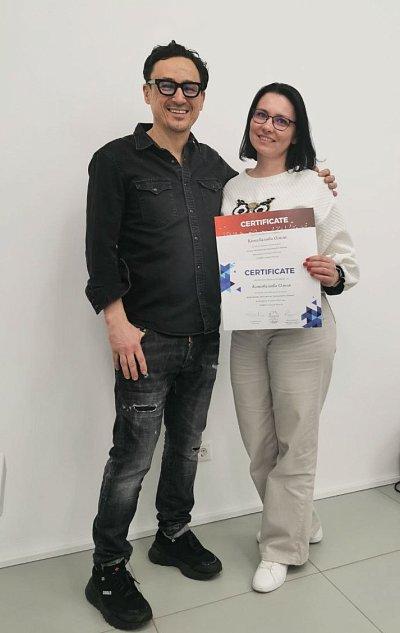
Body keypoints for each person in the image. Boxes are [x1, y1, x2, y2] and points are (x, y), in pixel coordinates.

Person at [84, 41, 337, 630]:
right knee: (131, 457)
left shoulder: (215, 170)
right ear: (147, 91)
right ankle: (108, 567)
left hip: (205, 334)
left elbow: (264, 205)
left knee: (186, 445)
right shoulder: (115, 161)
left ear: (201, 98)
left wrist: (314, 180)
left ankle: (171, 534)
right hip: (145, 337)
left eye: (190, 87)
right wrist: (117, 324)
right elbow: (100, 249)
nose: (179, 96)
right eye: (166, 85)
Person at [221, 83, 359, 594]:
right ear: (250, 121)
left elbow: (345, 261)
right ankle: (300, 519)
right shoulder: (230, 189)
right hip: (248, 328)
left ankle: (281, 547)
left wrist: (332, 273)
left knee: (295, 439)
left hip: (303, 329)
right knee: (258, 441)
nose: (269, 126)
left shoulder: (313, 186)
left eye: (282, 119)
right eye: (262, 115)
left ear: (296, 132)